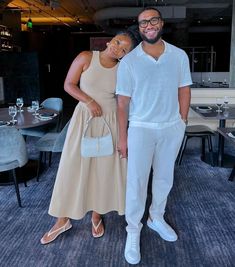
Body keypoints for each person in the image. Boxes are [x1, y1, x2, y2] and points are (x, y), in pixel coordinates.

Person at [40, 30, 138, 245]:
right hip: (84, 119)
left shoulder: (124, 69)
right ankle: (62, 220)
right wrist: (89, 101)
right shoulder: (86, 57)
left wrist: (124, 137)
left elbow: (123, 104)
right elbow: (68, 85)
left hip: (110, 122)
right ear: (111, 39)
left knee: (102, 171)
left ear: (125, 55)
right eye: (118, 41)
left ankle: (96, 215)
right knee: (72, 168)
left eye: (124, 49)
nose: (117, 48)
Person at [116, 7, 192, 265]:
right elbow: (122, 104)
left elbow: (184, 89)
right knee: (136, 182)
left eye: (153, 20)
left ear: (161, 23)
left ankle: (156, 217)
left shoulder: (178, 56)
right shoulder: (129, 61)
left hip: (171, 127)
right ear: (139, 28)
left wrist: (182, 121)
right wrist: (123, 138)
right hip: (140, 128)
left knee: (164, 177)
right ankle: (133, 229)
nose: (149, 25)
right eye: (143, 22)